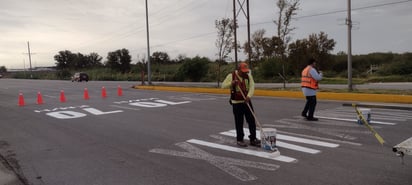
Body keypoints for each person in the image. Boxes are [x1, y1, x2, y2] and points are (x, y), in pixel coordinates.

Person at [222, 62, 261, 147]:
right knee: (239, 122)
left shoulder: (248, 76)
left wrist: (249, 96)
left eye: (246, 71)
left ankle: (253, 139)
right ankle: (240, 139)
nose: (245, 73)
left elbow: (252, 86)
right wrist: (231, 83)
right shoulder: (231, 76)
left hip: (246, 101)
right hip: (236, 103)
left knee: (251, 120)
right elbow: (223, 86)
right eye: (243, 71)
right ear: (239, 70)